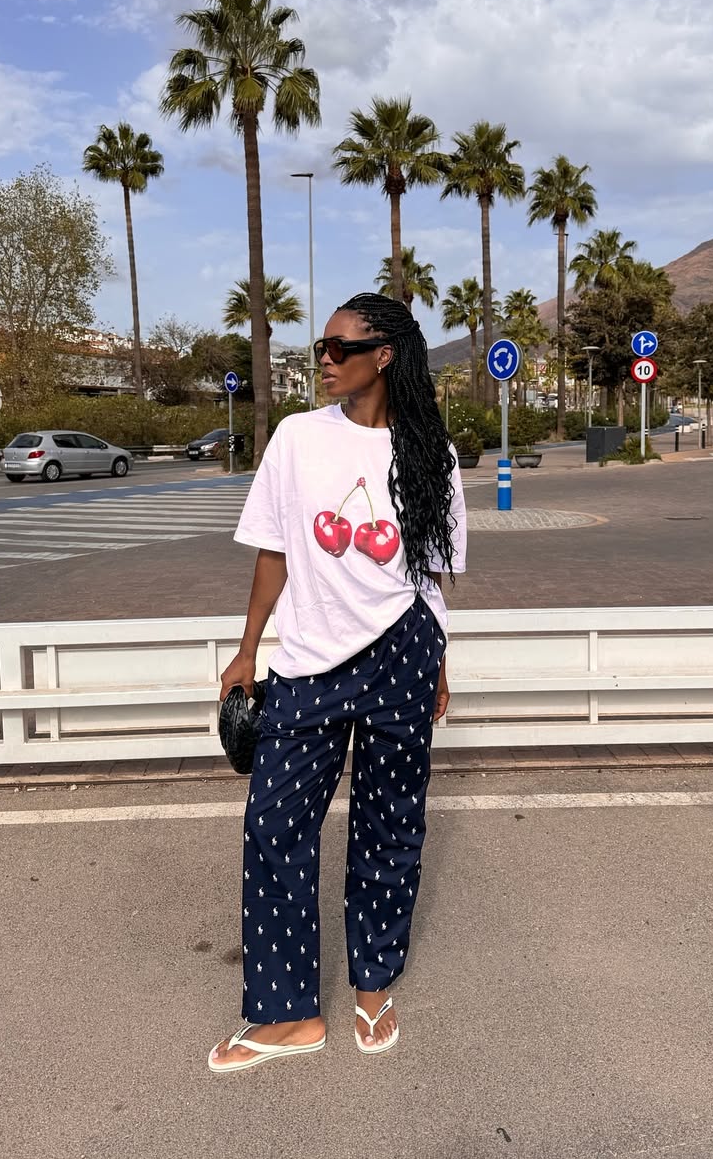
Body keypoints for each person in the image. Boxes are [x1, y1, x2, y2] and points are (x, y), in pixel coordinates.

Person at [209, 291, 468, 1074]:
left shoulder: (431, 452)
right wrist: (247, 647)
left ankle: (373, 985)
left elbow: (428, 576)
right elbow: (274, 552)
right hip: (309, 660)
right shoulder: (296, 439)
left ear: (383, 356)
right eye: (319, 349)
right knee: (275, 826)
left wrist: (441, 662)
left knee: (390, 827)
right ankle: (288, 1015)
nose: (323, 361)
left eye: (337, 349)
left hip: (401, 653)